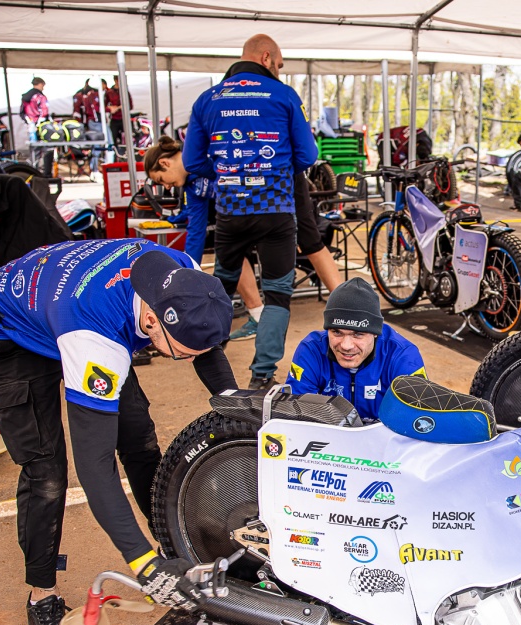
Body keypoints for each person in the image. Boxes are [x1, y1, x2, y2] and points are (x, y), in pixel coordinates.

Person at [0, 240, 237, 625]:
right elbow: (94, 466)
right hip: (9, 332)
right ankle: (42, 594)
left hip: (76, 307)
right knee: (46, 474)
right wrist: (142, 564)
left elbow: (206, 347)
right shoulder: (95, 341)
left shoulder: (184, 276)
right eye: (183, 354)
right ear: (152, 319)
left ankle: (172, 547)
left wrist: (236, 402)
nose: (189, 360)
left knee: (139, 440)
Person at [183, 34, 319, 390]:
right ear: (266, 57)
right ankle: (262, 375)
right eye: (279, 64)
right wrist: (273, 170)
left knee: (220, 288)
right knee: (277, 292)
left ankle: (208, 359)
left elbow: (192, 162)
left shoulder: (207, 99)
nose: (279, 70)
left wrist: (228, 171)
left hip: (232, 211)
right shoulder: (285, 95)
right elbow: (308, 156)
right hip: (276, 211)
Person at [144, 136, 343, 341]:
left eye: (160, 180)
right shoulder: (191, 186)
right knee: (232, 251)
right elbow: (196, 231)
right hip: (248, 205)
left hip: (278, 177)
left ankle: (346, 309)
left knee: (310, 242)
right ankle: (258, 316)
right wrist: (186, 273)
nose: (166, 187)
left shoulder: (204, 150)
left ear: (164, 163)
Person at [287, 278, 425, 420]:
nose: (346, 346)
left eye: (358, 334)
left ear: (376, 333)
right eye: (337, 332)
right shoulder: (311, 350)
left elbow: (418, 420)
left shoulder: (403, 356)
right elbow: (295, 415)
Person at [20, 77, 53, 175]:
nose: (43, 88)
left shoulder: (25, 97)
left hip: (31, 125)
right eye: (43, 85)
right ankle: (45, 173)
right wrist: (39, 122)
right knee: (47, 149)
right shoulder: (40, 97)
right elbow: (44, 110)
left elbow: (22, 112)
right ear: (40, 84)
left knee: (34, 150)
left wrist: (29, 121)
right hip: (41, 126)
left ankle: (33, 171)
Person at [73, 79, 104, 173]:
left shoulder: (94, 93)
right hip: (86, 123)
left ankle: (93, 167)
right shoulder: (80, 95)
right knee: (88, 145)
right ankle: (90, 168)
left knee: (93, 145)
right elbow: (77, 111)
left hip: (88, 122)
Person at [104, 76, 134, 157]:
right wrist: (111, 108)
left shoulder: (125, 91)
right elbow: (104, 106)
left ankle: (126, 155)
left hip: (124, 119)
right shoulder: (109, 92)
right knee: (112, 139)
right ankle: (114, 156)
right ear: (115, 80)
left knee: (127, 138)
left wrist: (122, 107)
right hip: (114, 119)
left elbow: (131, 106)